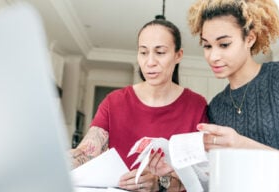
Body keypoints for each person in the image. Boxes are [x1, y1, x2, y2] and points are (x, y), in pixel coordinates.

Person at [150, 0, 279, 191]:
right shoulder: (217, 106)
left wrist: (241, 144)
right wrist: (177, 176)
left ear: (250, 39)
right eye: (207, 46)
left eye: (224, 44)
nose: (213, 56)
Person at [70, 18, 208, 192]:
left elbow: (198, 178)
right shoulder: (114, 102)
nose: (150, 62)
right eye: (143, 52)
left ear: (178, 55)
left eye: (160, 52)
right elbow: (86, 152)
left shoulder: (196, 106)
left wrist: (159, 183)